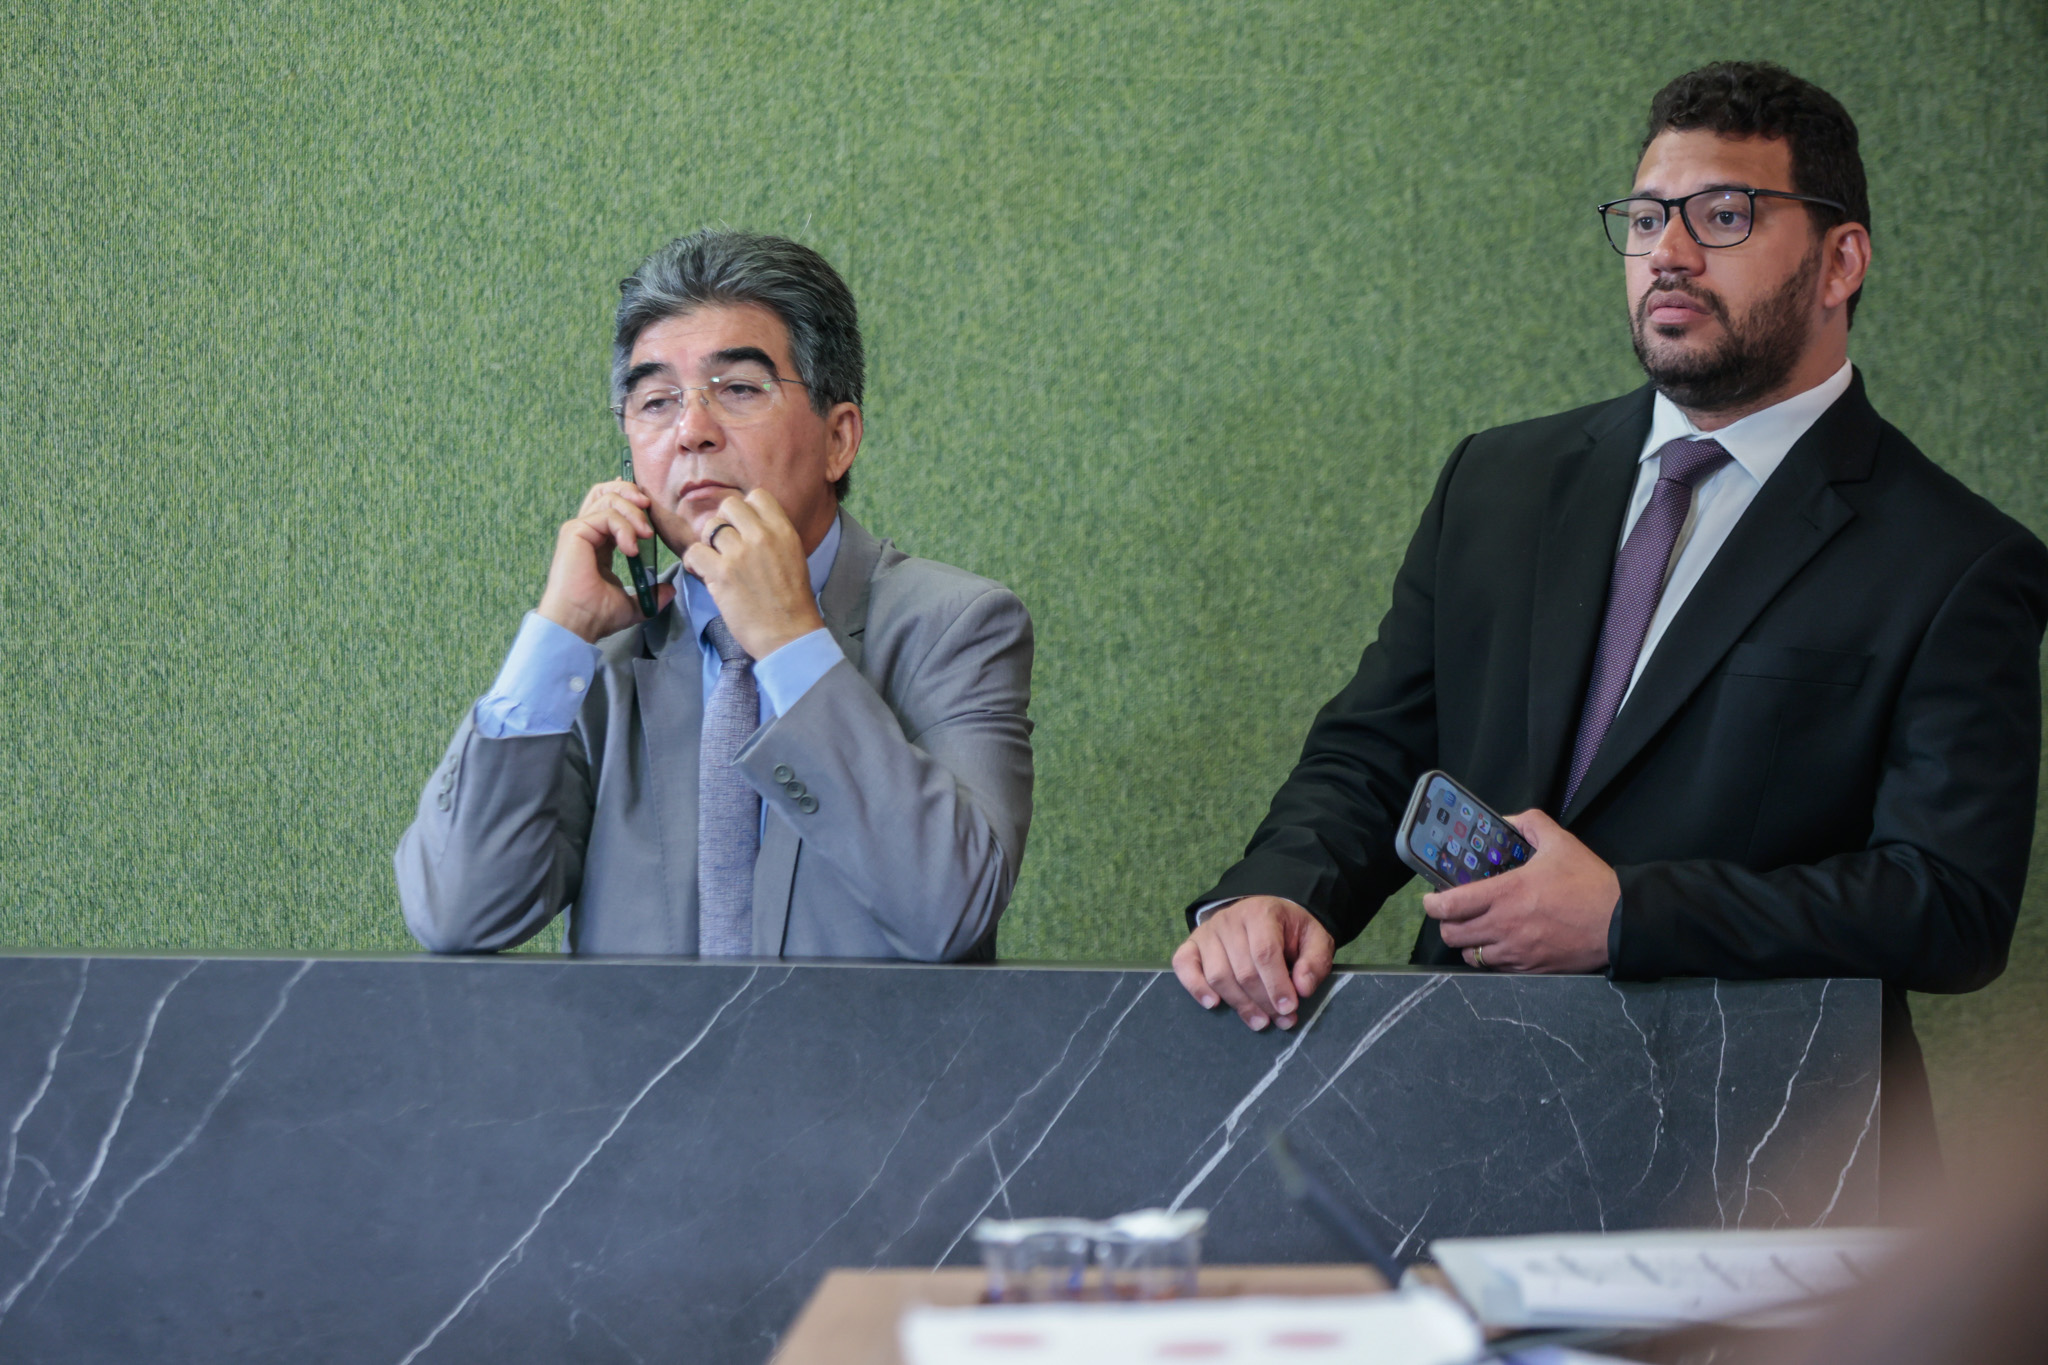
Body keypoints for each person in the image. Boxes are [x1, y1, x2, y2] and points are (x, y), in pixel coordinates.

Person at [1172, 61, 2048, 1173]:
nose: (1667, 253)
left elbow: (1949, 906)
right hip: (1455, 1116)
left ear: (1841, 262)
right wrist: (1275, 892)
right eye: (1643, 218)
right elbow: (1373, 751)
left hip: (1766, 1156)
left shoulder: (1957, 559)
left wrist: (1630, 912)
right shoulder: (1497, 481)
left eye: (1722, 216)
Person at [396, 231, 1034, 960]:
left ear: (839, 439)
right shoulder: (592, 662)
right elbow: (456, 912)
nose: (691, 431)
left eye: (738, 389)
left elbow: (949, 911)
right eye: (656, 400)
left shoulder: (957, 626)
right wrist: (560, 629)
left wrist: (791, 642)